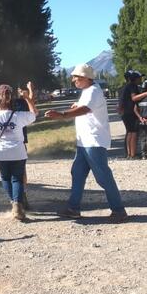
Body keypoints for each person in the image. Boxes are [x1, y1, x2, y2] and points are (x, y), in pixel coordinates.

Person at [44, 63, 128, 223]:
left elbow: (85, 110)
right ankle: (73, 208)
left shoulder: (93, 91)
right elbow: (85, 107)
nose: (73, 79)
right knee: (77, 173)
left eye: (76, 77)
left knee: (103, 177)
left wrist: (62, 115)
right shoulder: (88, 91)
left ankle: (118, 210)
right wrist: (77, 106)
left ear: (85, 78)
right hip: (85, 142)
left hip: (93, 142)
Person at [119, 70, 147, 159]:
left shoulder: (124, 87)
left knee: (129, 132)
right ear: (135, 78)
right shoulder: (132, 86)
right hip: (130, 112)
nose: (141, 79)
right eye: (139, 77)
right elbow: (134, 98)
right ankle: (132, 154)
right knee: (133, 133)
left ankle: (129, 154)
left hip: (124, 112)